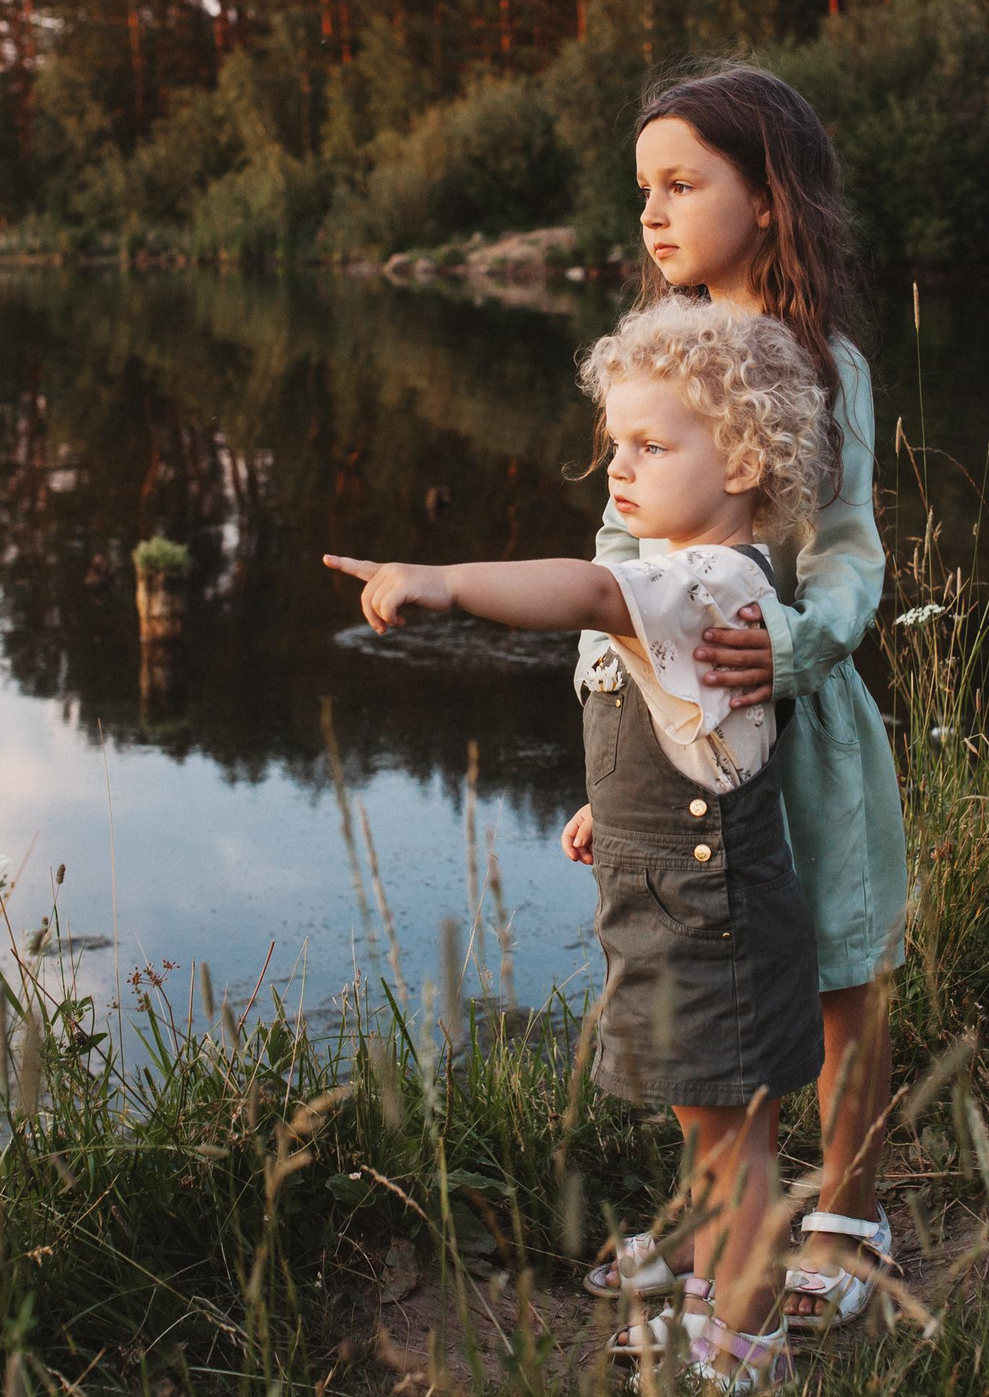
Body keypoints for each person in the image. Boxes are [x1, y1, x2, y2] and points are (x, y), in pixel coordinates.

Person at [326, 296, 836, 1393]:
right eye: (615, 444)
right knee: (708, 1118)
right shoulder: (679, 576)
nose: (620, 468)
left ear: (744, 458)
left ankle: (744, 1353)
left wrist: (446, 581)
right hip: (675, 889)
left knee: (735, 1136)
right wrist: (615, 802)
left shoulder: (707, 578)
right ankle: (711, 1287)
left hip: (716, 913)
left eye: (653, 446)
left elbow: (592, 588)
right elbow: (695, 723)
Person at [574, 64, 910, 1334]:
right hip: (673, 737)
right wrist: (616, 763)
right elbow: (614, 552)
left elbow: (849, 552)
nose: (653, 215)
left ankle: (849, 1213)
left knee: (834, 965)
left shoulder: (822, 362)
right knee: (714, 979)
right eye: (643, 191)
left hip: (797, 717)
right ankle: (729, 1222)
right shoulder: (660, 353)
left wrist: (793, 643)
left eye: (681, 184)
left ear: (765, 198)